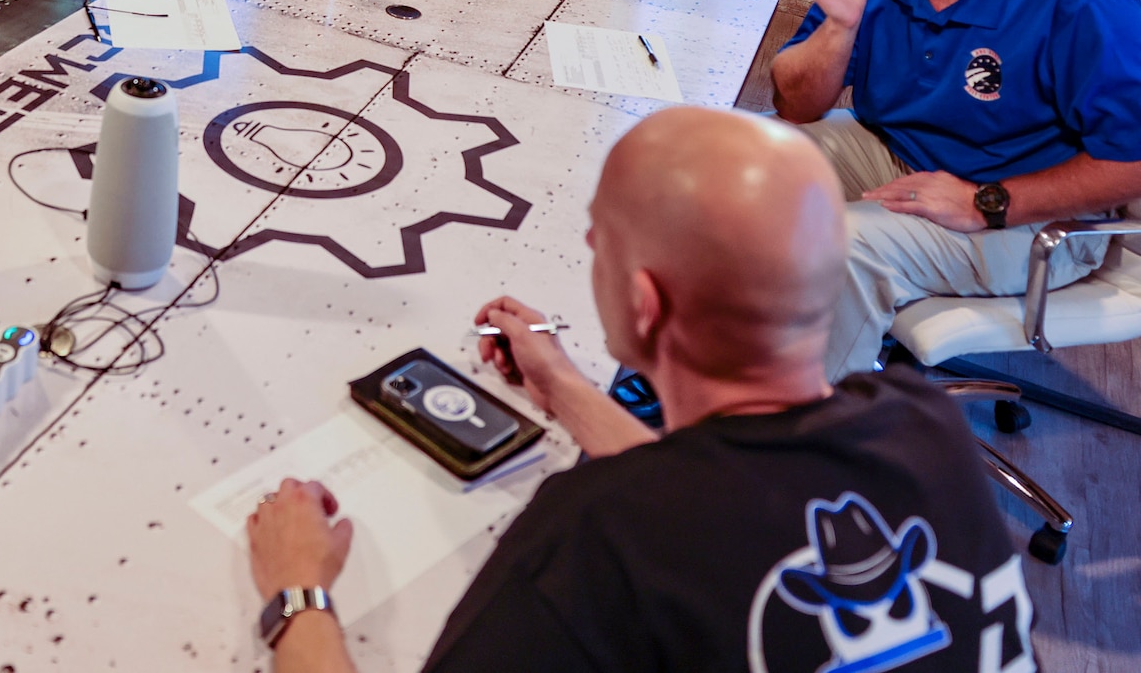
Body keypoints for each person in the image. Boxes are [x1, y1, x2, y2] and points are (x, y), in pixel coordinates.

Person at [245, 107, 1035, 672]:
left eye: (600, 238)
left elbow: (669, 524)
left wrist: (297, 590)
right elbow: (722, 506)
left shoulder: (591, 537)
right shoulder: (921, 424)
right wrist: (565, 385)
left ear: (646, 303)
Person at [771, 0, 1141, 379]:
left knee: (843, 245)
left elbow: (1133, 164)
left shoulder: (1078, 0)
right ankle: (713, 371)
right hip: (902, 152)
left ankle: (800, 444)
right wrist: (840, 27)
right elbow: (795, 106)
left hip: (1032, 214)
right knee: (743, 163)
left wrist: (984, 202)